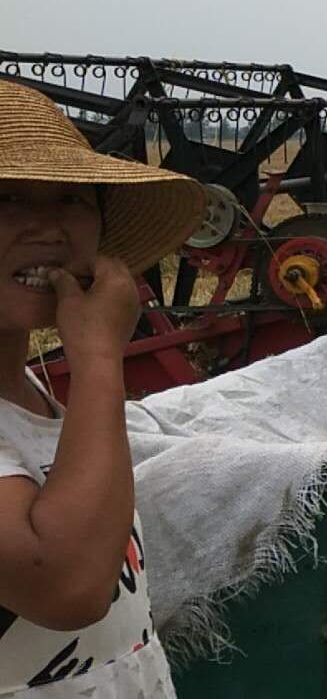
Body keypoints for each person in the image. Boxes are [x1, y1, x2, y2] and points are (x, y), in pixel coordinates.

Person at [0, 81, 206, 695]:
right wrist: (95, 355)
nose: (48, 227)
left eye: (71, 198)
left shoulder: (34, 393)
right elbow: (67, 584)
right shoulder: (86, 377)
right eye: (7, 199)